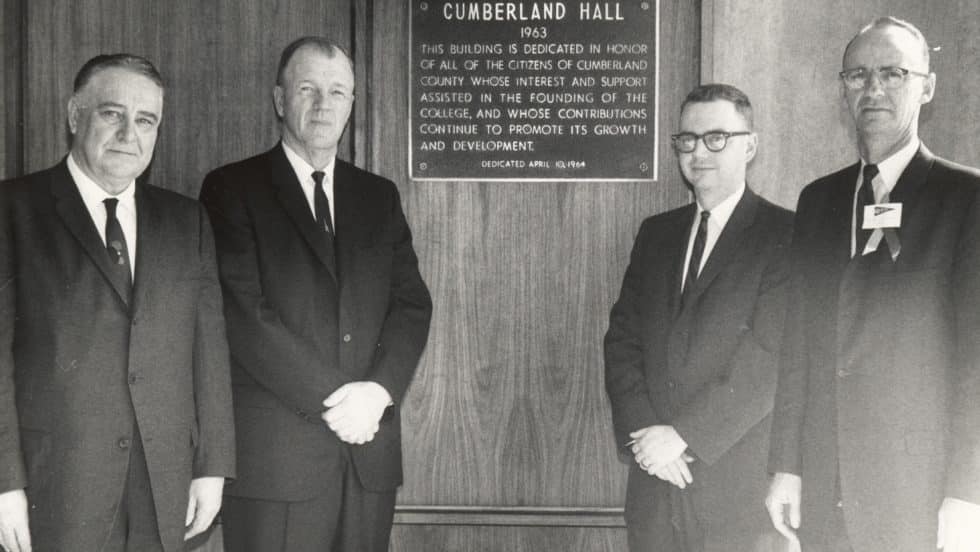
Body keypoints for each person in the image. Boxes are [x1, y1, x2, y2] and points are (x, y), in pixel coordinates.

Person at [199, 36, 432, 552]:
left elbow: (412, 304)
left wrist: (377, 393)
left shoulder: (378, 196)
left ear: (351, 105)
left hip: (367, 458)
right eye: (308, 88)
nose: (323, 105)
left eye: (337, 92)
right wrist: (338, 403)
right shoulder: (232, 189)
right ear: (280, 100)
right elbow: (242, 314)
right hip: (277, 466)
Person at [0, 54, 235, 552]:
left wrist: (212, 469)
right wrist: (3, 483)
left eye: (146, 120)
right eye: (112, 113)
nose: (130, 132)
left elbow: (208, 351)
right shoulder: (13, 210)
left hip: (164, 488)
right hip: (55, 488)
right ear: (73, 116)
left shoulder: (186, 221)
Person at [766, 17, 980, 552]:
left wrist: (967, 493)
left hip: (923, 494)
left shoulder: (967, 200)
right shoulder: (819, 201)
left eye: (893, 73)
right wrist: (786, 466)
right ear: (843, 89)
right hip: (825, 483)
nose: (874, 88)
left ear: (926, 86)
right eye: (858, 75)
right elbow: (798, 345)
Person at [604, 83, 792, 552]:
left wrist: (685, 437)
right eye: (687, 140)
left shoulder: (785, 234)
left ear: (750, 145)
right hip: (654, 488)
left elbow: (769, 356)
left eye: (716, 138)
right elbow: (622, 342)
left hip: (736, 493)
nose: (698, 152)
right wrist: (649, 440)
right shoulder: (657, 234)